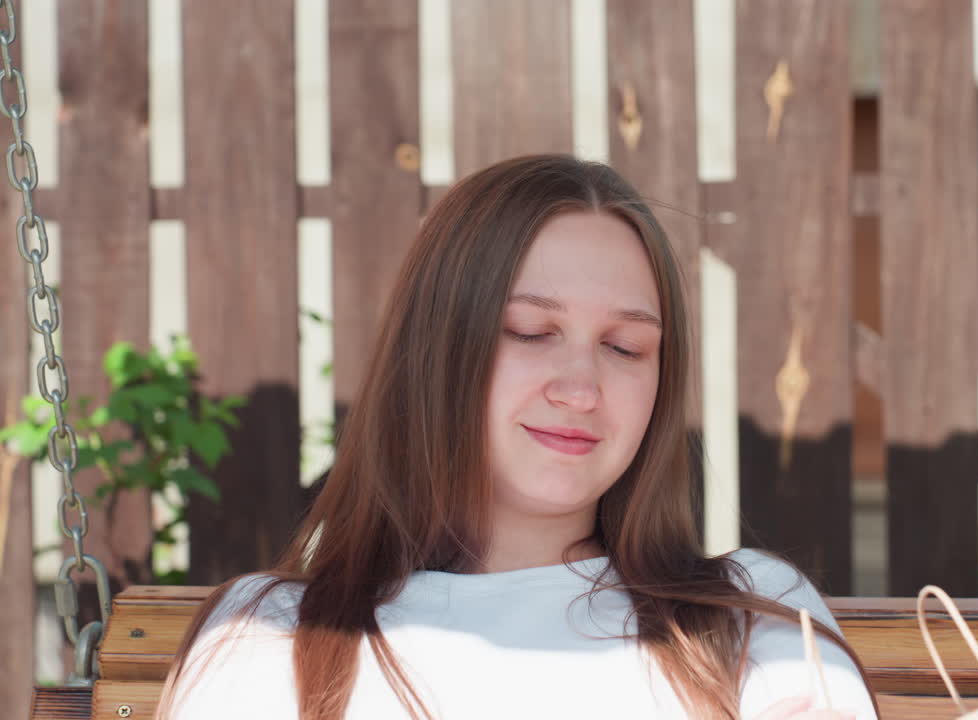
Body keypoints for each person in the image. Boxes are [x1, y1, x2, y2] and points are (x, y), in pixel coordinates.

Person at [157, 154, 879, 720]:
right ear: (437, 349)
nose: (581, 387)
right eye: (532, 333)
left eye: (625, 347)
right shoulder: (272, 633)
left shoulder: (752, 616)